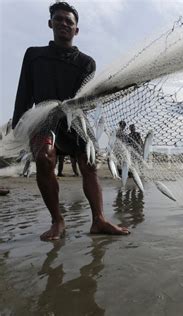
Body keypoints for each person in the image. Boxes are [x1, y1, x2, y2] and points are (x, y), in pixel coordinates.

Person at [11, 2, 129, 240]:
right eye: (59, 19)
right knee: (44, 158)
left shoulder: (87, 63)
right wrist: (19, 124)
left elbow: (85, 100)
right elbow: (24, 91)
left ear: (77, 30)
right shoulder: (33, 55)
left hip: (76, 121)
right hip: (43, 118)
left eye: (69, 21)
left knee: (89, 164)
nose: (64, 23)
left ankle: (99, 220)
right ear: (50, 23)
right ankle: (58, 221)